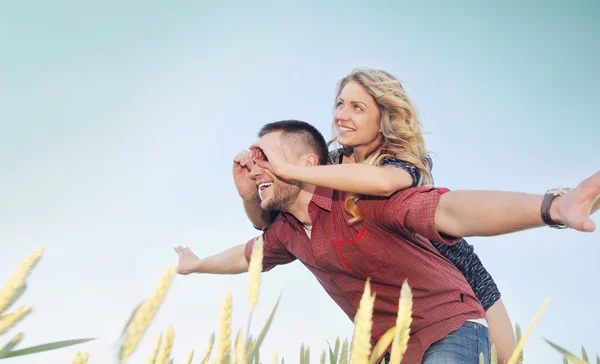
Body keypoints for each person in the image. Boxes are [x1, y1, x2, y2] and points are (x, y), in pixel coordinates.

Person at [175, 120, 600, 364]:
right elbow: (246, 255)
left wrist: (551, 207)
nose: (255, 167)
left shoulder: (361, 199)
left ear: (307, 164)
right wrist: (196, 264)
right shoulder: (287, 231)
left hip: (446, 329)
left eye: (265, 157)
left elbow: (448, 211)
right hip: (388, 351)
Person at [237, 68, 513, 362]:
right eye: (340, 104)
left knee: (509, 355)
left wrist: (291, 170)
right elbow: (270, 222)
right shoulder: (325, 165)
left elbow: (383, 184)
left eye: (357, 107)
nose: (341, 116)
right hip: (390, 323)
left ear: (383, 118)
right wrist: (250, 195)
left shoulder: (404, 163)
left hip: (448, 274)